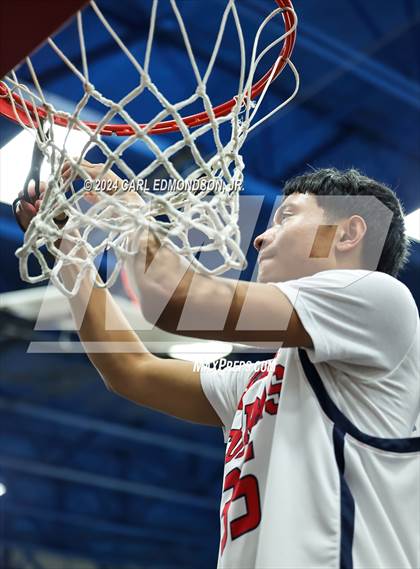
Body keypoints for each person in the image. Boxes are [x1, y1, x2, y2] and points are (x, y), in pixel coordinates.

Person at [15, 164, 420, 568]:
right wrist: (69, 250)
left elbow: (171, 297)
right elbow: (130, 369)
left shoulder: (382, 301)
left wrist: (129, 207)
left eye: (287, 216)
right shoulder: (268, 380)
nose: (261, 237)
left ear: (347, 234)